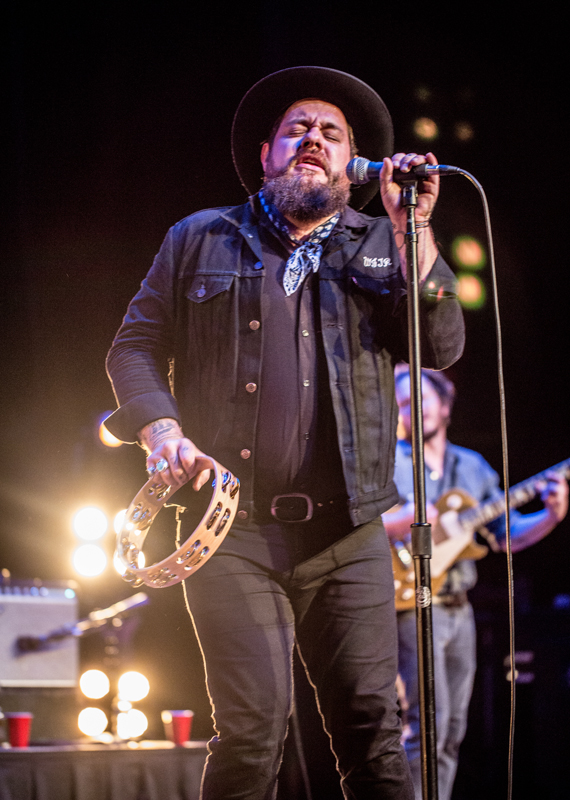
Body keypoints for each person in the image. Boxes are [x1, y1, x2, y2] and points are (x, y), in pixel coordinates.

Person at [105, 66, 465, 800]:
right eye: (298, 129)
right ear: (266, 152)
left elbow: (443, 341)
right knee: (251, 733)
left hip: (351, 533)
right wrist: (161, 428)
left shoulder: (380, 241)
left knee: (374, 732)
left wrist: (410, 229)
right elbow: (133, 347)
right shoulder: (199, 238)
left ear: (353, 162)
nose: (314, 141)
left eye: (332, 134)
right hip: (232, 531)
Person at [384, 366, 569, 800]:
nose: (414, 410)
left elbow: (505, 536)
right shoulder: (388, 462)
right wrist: (410, 516)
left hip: (458, 607)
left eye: (421, 399)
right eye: (404, 404)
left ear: (445, 406)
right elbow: (365, 525)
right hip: (411, 603)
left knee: (450, 730)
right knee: (423, 727)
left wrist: (552, 515)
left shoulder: (472, 466)